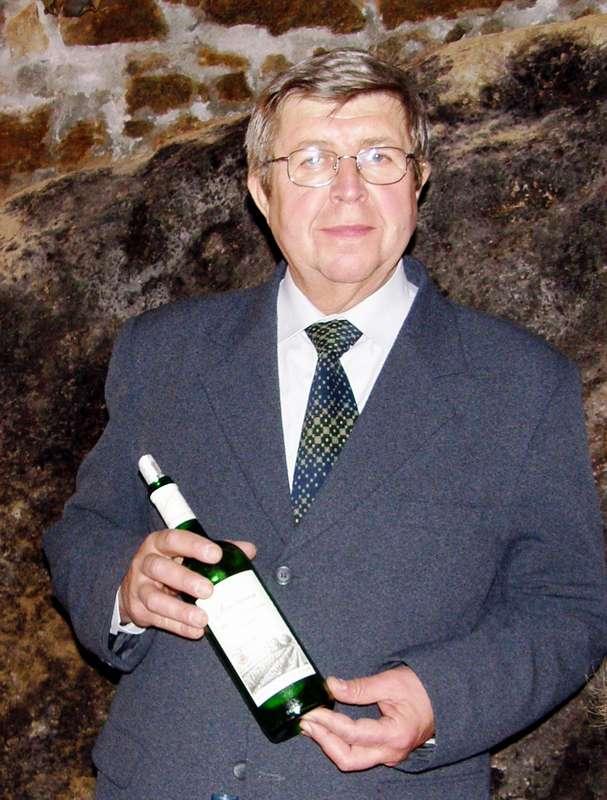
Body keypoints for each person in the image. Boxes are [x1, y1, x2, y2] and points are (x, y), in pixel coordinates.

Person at [44, 48, 607, 800]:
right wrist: (124, 582)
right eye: (311, 159)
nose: (348, 188)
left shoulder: (522, 382)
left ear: (418, 179)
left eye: (378, 156)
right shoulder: (165, 351)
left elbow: (568, 605)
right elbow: (84, 531)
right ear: (261, 189)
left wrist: (440, 698)